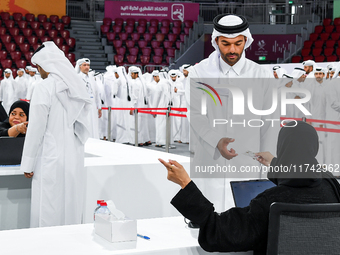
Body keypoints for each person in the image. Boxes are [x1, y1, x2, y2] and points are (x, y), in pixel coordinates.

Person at [159, 121, 340, 255]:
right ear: (314, 148)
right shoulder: (331, 185)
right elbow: (306, 177)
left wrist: (185, 184)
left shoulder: (270, 203)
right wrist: (276, 164)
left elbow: (220, 231)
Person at [186, 13, 276, 212]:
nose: (232, 50)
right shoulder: (199, 73)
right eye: (225, 44)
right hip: (211, 156)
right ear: (216, 41)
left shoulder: (261, 74)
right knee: (210, 217)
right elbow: (195, 114)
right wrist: (216, 139)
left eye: (238, 43)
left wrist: (270, 157)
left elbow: (270, 120)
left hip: (250, 159)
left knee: (247, 218)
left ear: (246, 40)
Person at [21, 41, 92, 228]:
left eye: (39, 67)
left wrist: (27, 163)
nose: (39, 71)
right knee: (71, 203)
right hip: (74, 157)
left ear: (46, 65)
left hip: (49, 157)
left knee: (49, 206)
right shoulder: (76, 87)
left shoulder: (43, 87)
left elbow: (36, 129)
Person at [75, 58, 102, 139]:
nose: (87, 67)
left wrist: (99, 107)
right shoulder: (77, 78)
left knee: (93, 124)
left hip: (93, 106)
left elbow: (97, 93)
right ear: (80, 67)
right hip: (82, 107)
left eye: (88, 65)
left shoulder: (91, 78)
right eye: (84, 65)